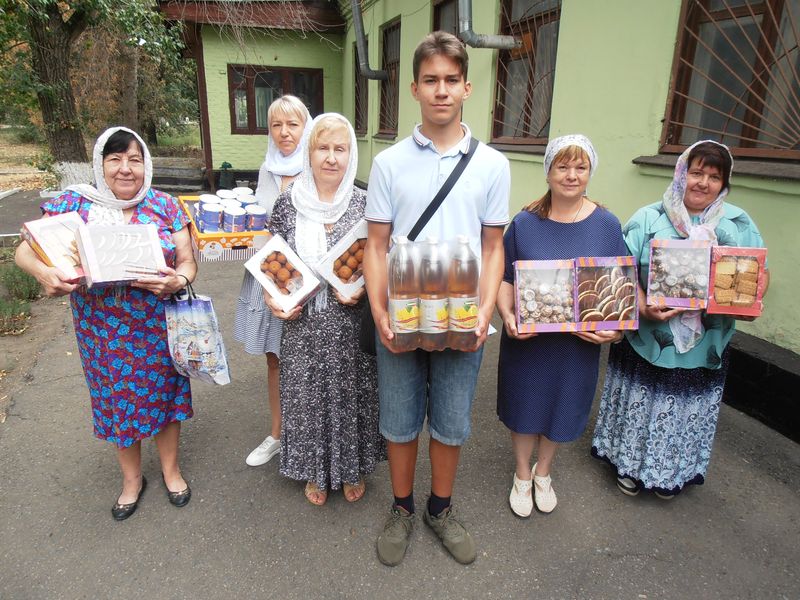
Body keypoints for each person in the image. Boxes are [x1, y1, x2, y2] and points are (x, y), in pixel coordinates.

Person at [363, 31, 509, 566]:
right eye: (431, 81)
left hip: (464, 313)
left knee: (451, 422)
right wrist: (379, 309)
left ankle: (439, 508)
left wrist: (487, 306)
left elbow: (494, 248)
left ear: (467, 87)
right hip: (400, 312)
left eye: (451, 80)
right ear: (414, 89)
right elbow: (376, 244)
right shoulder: (389, 163)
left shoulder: (492, 165)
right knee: (399, 420)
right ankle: (402, 508)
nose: (441, 90)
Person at [15, 126, 197, 520]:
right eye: (115, 159)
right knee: (117, 402)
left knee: (165, 397)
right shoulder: (75, 205)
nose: (126, 169)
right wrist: (45, 275)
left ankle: (171, 471)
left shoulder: (165, 205)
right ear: (100, 164)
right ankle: (132, 480)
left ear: (146, 163)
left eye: (135, 159)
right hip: (102, 332)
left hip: (157, 323)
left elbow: (187, 261)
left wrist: (177, 279)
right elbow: (23, 252)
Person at [590, 140, 769, 499]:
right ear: (681, 174)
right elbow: (620, 270)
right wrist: (640, 304)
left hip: (706, 342)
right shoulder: (648, 218)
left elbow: (759, 274)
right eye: (696, 172)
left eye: (714, 176)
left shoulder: (736, 223)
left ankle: (671, 473)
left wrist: (747, 298)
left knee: (687, 410)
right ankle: (628, 466)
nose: (703, 183)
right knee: (641, 404)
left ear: (724, 183)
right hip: (649, 339)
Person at [495, 135, 627, 519]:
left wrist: (614, 330)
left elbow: (620, 287)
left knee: (562, 404)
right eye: (563, 166)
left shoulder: (606, 224)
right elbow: (504, 279)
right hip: (529, 340)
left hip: (576, 345)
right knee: (524, 404)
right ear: (548, 171)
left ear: (590, 172)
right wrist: (507, 316)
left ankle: (544, 471)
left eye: (580, 167)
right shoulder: (524, 223)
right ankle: (522, 472)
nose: (571, 175)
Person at [265, 113, 385, 506]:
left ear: (351, 154)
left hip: (351, 321)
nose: (331, 158)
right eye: (322, 148)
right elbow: (272, 265)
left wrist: (366, 291)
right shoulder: (287, 205)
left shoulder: (367, 204)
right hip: (304, 324)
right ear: (309, 153)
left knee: (352, 393)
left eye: (340, 148)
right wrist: (273, 300)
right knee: (307, 395)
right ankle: (315, 471)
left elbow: (379, 262)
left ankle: (350, 467)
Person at [234, 95, 312, 467]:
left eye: (292, 124)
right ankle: (278, 434)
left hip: (309, 282)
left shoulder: (316, 167)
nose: (284, 132)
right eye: (277, 125)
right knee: (275, 360)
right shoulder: (267, 169)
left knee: (311, 359)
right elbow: (260, 224)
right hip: (269, 275)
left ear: (305, 127)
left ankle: (310, 434)